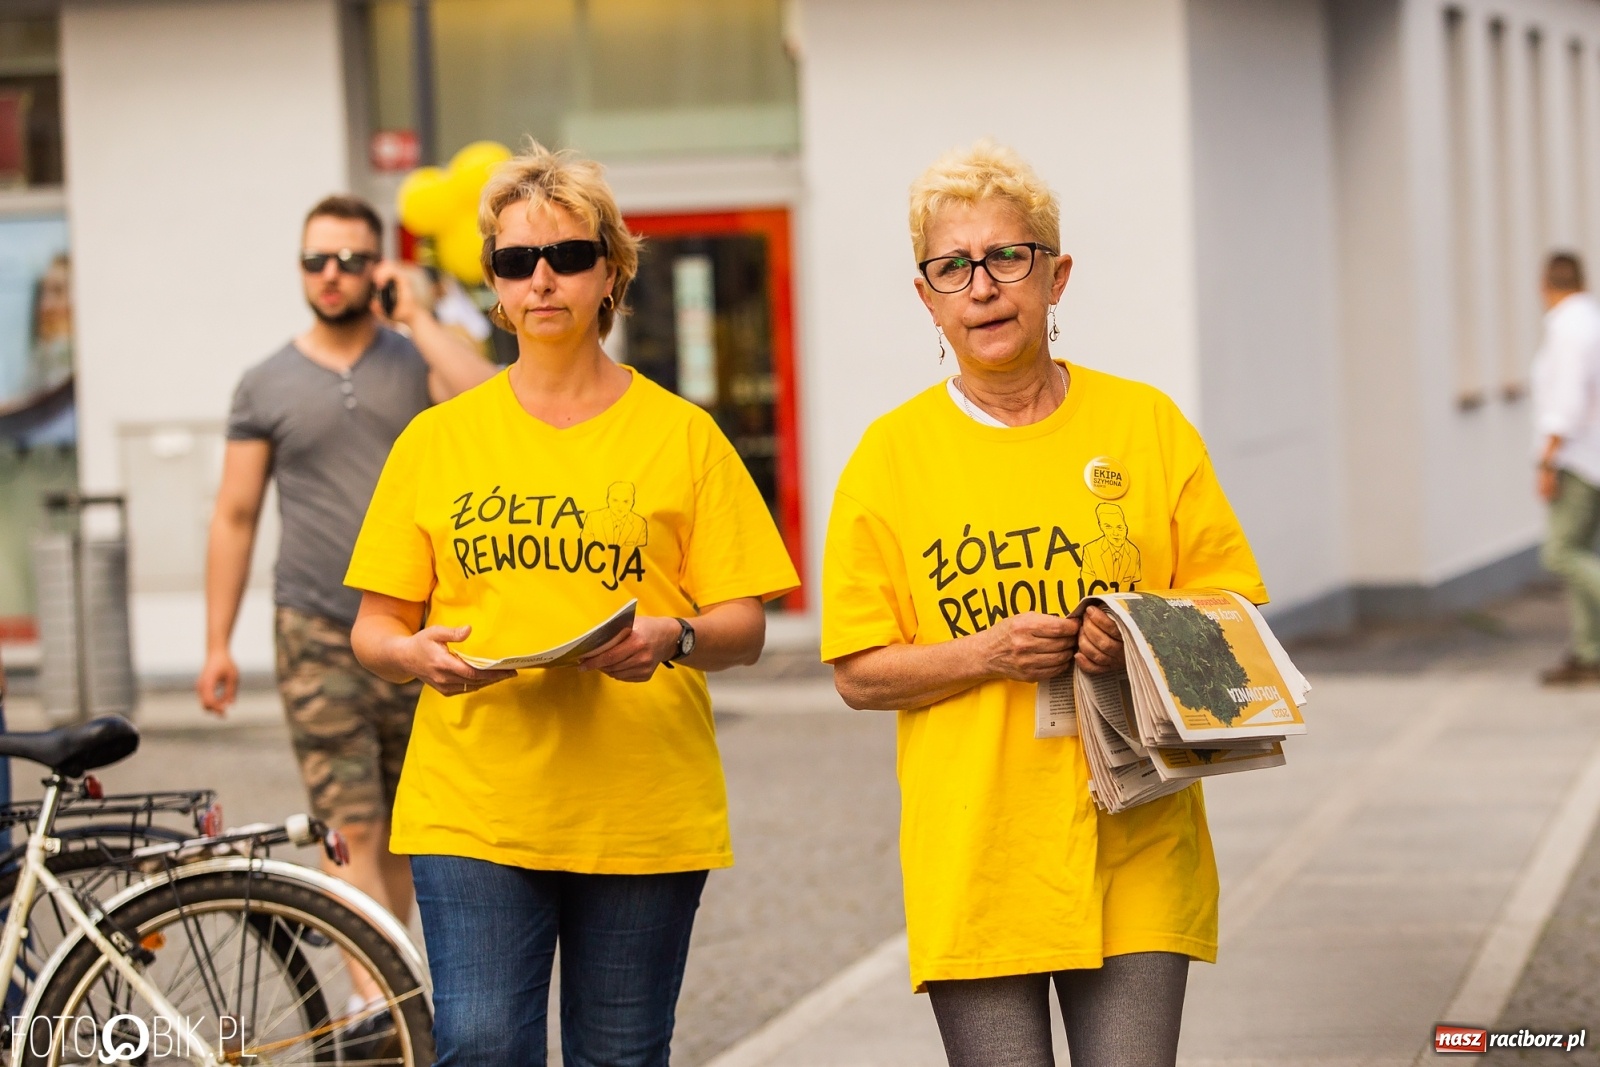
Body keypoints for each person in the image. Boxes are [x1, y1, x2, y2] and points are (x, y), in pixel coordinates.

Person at [345, 143, 798, 1066]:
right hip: (474, 799)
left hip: (640, 805)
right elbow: (373, 629)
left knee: (622, 1056)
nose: (542, 278)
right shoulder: (438, 441)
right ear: (494, 284)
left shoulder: (684, 435)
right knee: (478, 1043)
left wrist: (673, 637)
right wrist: (414, 654)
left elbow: (745, 626)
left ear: (612, 272)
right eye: (516, 261)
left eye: (568, 256)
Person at [821, 141, 1267, 1067]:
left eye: (1006, 257)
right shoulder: (889, 459)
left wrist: (1140, 633)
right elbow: (859, 673)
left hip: (1139, 835)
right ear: (927, 297)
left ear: (1054, 276)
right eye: (953, 266)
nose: (982, 286)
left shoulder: (1145, 425)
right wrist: (986, 653)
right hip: (979, 852)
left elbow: (1239, 611)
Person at [196, 195, 496, 959]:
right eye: (316, 260)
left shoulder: (416, 361)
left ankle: (384, 980)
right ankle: (377, 1000)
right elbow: (235, 515)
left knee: (399, 828)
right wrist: (216, 643)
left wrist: (419, 317)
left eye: (352, 260)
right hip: (315, 626)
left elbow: (490, 402)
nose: (332, 275)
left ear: (378, 269)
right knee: (350, 822)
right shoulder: (264, 382)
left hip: (413, 628)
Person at [1533, 251, 1600, 686]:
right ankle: (1588, 652)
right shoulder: (1590, 320)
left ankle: (1589, 649)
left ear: (1546, 286)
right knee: (1580, 552)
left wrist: (1548, 457)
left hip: (1577, 458)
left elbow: (1570, 399)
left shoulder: (1568, 327)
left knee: (1560, 552)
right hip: (1588, 455)